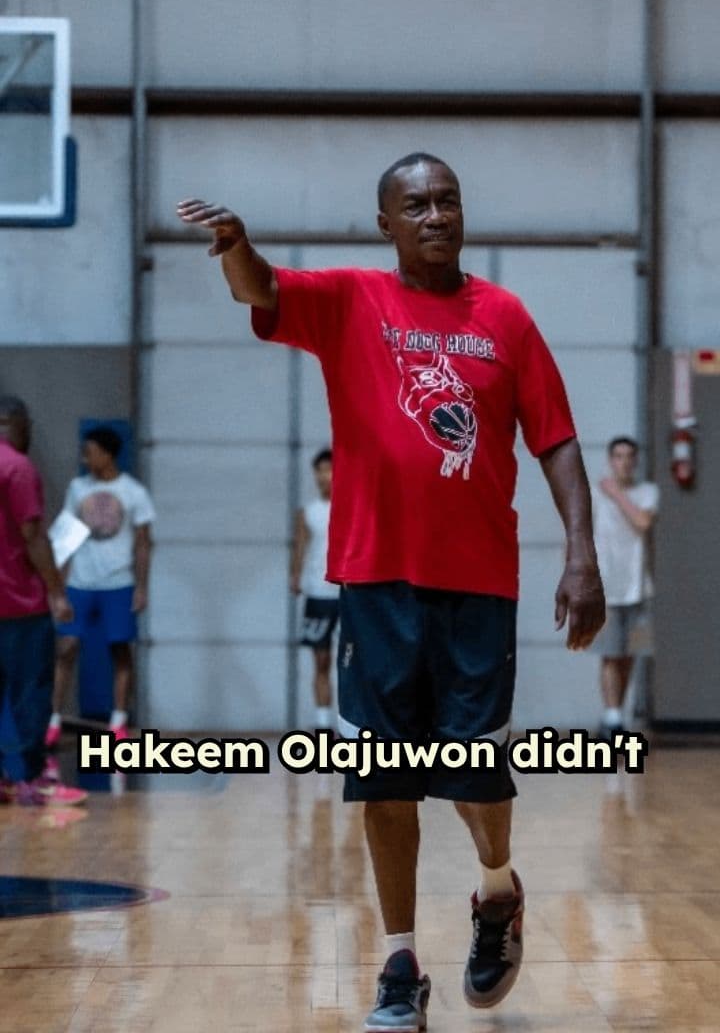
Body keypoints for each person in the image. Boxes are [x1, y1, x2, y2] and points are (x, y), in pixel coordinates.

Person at [177, 152, 605, 1032]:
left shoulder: (507, 320)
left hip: (478, 587)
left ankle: (496, 890)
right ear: (386, 224)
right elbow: (260, 289)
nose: (437, 214)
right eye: (417, 204)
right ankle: (401, 960)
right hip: (374, 583)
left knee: (475, 777)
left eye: (449, 199)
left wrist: (581, 553)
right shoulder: (348, 301)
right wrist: (234, 249)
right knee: (385, 780)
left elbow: (556, 441)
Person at [0, 396, 86, 806]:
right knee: (30, 691)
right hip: (18, 603)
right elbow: (32, 535)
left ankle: (3, 777)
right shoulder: (17, 468)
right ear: (12, 423)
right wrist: (55, 591)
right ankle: (32, 778)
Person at [46, 425, 155, 745]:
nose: (85, 457)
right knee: (67, 647)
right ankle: (52, 718)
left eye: (90, 451)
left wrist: (141, 586)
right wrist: (59, 585)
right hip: (81, 581)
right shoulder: (77, 488)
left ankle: (118, 720)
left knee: (120, 649)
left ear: (107, 455)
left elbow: (144, 543)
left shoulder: (134, 492)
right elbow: (65, 537)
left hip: (119, 583)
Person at [592, 436, 659, 740]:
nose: (625, 461)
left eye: (630, 456)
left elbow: (643, 522)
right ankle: (612, 716)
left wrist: (617, 494)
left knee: (631, 653)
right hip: (605, 589)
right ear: (610, 459)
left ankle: (618, 713)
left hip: (638, 589)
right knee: (609, 654)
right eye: (618, 456)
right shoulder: (595, 495)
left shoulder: (647, 492)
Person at [291, 447, 340, 733]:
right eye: (320, 471)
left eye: (330, 470)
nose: (325, 477)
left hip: (348, 592)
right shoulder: (309, 512)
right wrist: (295, 574)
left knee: (353, 660)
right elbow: (300, 546)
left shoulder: (353, 507)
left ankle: (354, 723)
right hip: (318, 592)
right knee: (321, 659)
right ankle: (323, 725)